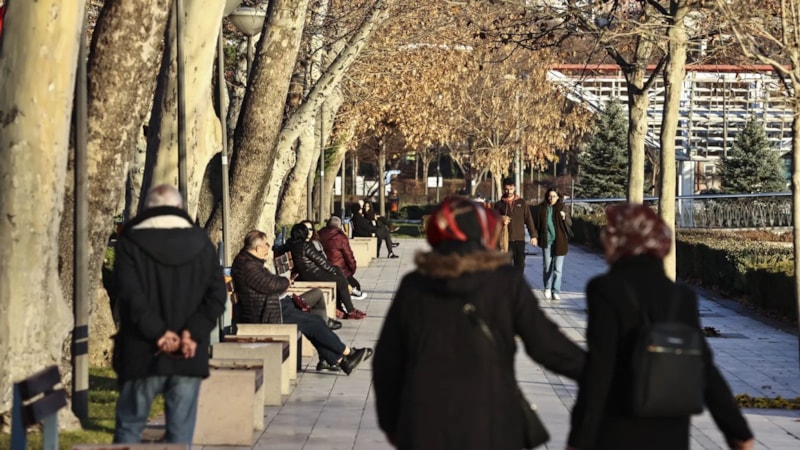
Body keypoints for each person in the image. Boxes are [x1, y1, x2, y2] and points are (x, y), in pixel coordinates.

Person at [373, 197, 585, 450]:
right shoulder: (505, 282)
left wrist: (392, 424)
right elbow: (547, 345)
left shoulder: (415, 285)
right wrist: (600, 374)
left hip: (425, 422)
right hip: (492, 419)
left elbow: (387, 361)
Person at [566, 203, 754, 450]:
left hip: (620, 426)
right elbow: (703, 364)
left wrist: (580, 438)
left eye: (610, 233)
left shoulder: (605, 290)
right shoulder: (681, 296)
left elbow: (600, 369)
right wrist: (737, 430)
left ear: (626, 240)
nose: (604, 239)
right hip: (671, 428)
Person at [111, 184, 226, 444]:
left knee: (130, 425)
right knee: (180, 434)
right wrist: (191, 333)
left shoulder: (130, 242)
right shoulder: (201, 242)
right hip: (188, 352)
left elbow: (130, 295)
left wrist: (159, 334)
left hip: (142, 350)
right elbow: (217, 296)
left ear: (148, 208)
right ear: (180, 208)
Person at [232, 230, 371, 373]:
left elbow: (268, 283)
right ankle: (348, 353)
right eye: (266, 244)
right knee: (314, 323)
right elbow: (270, 284)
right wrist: (286, 281)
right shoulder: (247, 266)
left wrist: (282, 283)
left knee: (313, 321)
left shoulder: (248, 261)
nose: (269, 247)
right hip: (265, 313)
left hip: (271, 305)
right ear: (257, 248)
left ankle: (342, 361)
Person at [283, 223, 367, 319]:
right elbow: (321, 261)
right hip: (313, 274)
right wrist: (331, 270)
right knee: (339, 279)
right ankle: (350, 310)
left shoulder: (291, 244)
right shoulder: (304, 245)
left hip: (306, 273)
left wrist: (334, 270)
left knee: (338, 270)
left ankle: (340, 307)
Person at [533, 188, 572, 301]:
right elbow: (537, 224)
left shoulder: (562, 208)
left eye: (554, 196)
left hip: (560, 241)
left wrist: (564, 217)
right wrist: (534, 236)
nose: (551, 198)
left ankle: (556, 291)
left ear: (558, 197)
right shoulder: (542, 208)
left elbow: (570, 223)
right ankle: (548, 288)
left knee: (558, 269)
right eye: (550, 196)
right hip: (547, 241)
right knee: (547, 266)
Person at [318, 216, 368, 300]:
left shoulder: (319, 234)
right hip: (339, 270)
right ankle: (346, 301)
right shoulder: (340, 237)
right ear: (339, 225)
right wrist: (352, 270)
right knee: (356, 285)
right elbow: (349, 256)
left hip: (323, 268)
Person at [493, 178, 536, 272]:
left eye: (511, 189)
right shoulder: (499, 204)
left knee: (519, 266)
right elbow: (493, 220)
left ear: (514, 188)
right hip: (505, 240)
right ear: (504, 188)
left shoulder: (522, 203)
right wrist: (501, 219)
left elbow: (528, 219)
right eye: (507, 189)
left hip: (519, 239)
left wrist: (533, 235)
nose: (509, 191)